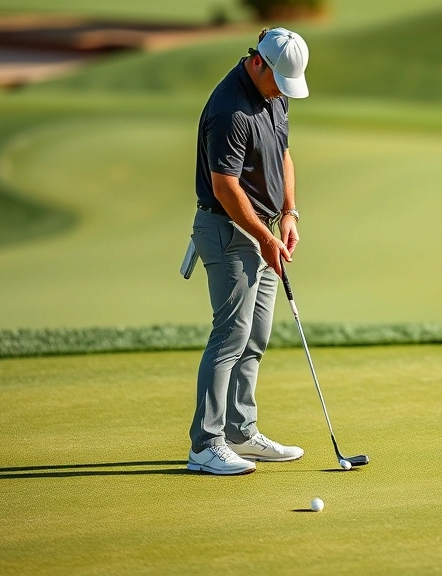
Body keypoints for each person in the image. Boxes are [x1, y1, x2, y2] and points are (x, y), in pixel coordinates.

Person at [186, 27, 310, 475]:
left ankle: (241, 432)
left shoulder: (275, 94)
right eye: (278, 80)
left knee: (255, 337)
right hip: (227, 232)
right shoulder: (229, 110)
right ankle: (206, 444)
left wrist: (290, 213)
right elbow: (224, 188)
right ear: (257, 61)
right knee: (230, 336)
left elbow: (284, 155)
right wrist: (264, 236)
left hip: (263, 230)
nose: (282, 92)